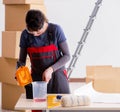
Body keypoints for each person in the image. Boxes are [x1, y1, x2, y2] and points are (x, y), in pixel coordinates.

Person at [16, 9, 71, 112]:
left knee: (61, 106)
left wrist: (50, 69)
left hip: (57, 76)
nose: (35, 34)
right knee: (38, 108)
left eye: (38, 31)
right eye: (32, 32)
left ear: (44, 23)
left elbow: (67, 56)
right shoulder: (25, 35)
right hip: (37, 78)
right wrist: (20, 71)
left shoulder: (55, 30)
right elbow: (21, 61)